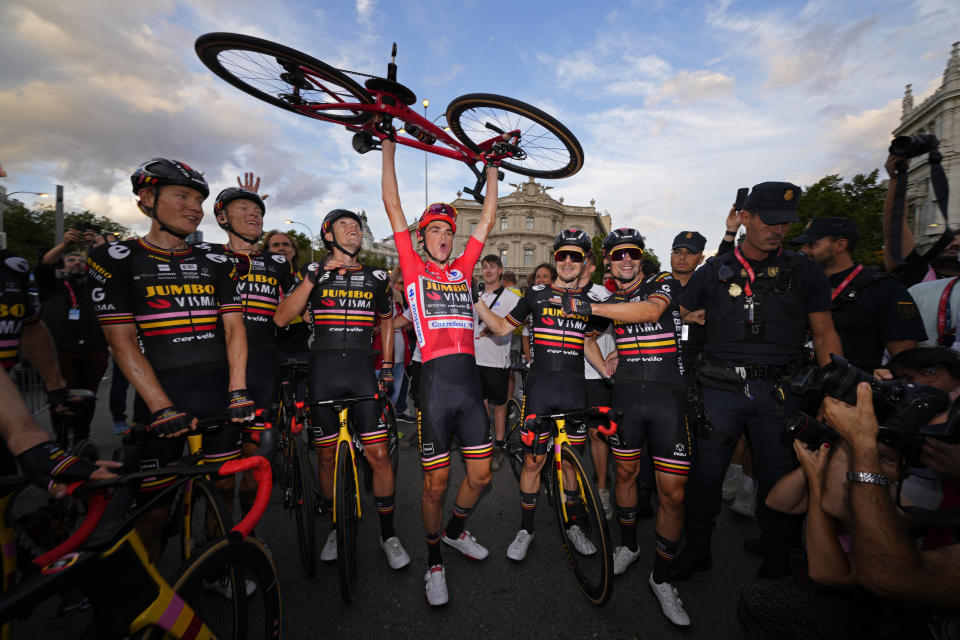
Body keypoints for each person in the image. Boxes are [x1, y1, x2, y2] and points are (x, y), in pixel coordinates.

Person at [87, 157, 254, 560]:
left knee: (224, 487)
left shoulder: (216, 262)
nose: (195, 207)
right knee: (154, 510)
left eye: (198, 199)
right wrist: (161, 407)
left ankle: (213, 564)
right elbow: (121, 341)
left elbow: (234, 329)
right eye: (182, 196)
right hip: (161, 394)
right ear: (147, 198)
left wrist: (237, 390)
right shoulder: (116, 258)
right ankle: (143, 595)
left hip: (218, 390)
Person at [676, 181, 843, 580]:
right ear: (746, 218)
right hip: (720, 390)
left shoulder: (805, 271)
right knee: (706, 475)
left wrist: (838, 390)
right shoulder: (713, 271)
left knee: (776, 473)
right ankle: (698, 549)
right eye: (770, 221)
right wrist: (685, 318)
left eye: (786, 223)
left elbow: (824, 333)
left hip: (779, 392)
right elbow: (676, 312)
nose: (778, 230)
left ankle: (778, 554)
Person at [381, 131, 502, 606]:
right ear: (421, 236)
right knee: (433, 483)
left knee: (482, 477)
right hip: (433, 384)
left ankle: (454, 531)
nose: (444, 235)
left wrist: (491, 167)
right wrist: (389, 142)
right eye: (434, 229)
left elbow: (487, 219)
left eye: (449, 230)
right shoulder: (412, 267)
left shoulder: (462, 271)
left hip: (469, 387)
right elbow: (392, 203)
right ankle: (433, 560)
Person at [275, 207, 408, 570]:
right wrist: (312, 279)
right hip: (323, 374)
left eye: (356, 225)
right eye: (343, 225)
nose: (353, 229)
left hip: (362, 373)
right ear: (328, 236)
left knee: (379, 456)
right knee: (327, 456)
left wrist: (385, 366)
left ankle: (388, 534)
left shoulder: (376, 275)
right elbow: (282, 317)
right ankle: (336, 525)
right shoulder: (312, 273)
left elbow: (385, 322)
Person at [573, 228, 692, 626]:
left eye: (633, 253)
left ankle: (663, 578)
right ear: (608, 260)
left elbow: (651, 313)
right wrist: (601, 363)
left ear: (641, 257)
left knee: (672, 494)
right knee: (625, 472)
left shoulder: (660, 283)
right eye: (619, 254)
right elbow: (585, 339)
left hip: (667, 400)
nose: (627, 259)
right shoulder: (609, 300)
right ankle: (628, 546)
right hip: (625, 397)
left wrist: (590, 307)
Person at [476, 229, 606, 565]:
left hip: (575, 391)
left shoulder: (592, 302)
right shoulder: (535, 294)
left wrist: (608, 370)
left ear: (585, 261)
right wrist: (475, 299)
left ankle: (574, 524)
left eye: (575, 256)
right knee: (534, 461)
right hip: (542, 390)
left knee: (572, 467)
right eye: (561, 254)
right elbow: (504, 328)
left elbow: (589, 341)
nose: (566, 261)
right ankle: (526, 528)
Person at [823, 383, 960, 615]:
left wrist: (863, 444)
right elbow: (836, 505)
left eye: (955, 422)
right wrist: (856, 432)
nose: (937, 426)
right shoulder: (941, 484)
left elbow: (892, 577)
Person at [204, 181, 297, 521]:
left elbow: (299, 310)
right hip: (217, 371)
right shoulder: (208, 257)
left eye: (257, 209)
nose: (253, 213)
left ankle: (247, 540)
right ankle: (218, 547)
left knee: (253, 464)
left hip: (262, 369)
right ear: (221, 218)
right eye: (243, 208)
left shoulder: (278, 263)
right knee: (223, 478)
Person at [792, 216, 926, 371]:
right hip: (798, 385)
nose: (804, 251)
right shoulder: (799, 285)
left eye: (812, 244)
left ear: (840, 245)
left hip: (856, 387)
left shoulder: (884, 289)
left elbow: (904, 356)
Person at [35, 235, 109, 442]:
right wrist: (65, 245)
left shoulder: (95, 288)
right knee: (61, 400)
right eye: (71, 260)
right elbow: (44, 264)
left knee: (87, 399)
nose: (77, 263)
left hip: (94, 351)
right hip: (60, 352)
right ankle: (61, 442)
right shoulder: (51, 287)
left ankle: (82, 440)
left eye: (81, 261)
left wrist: (99, 245)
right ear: (63, 267)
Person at [474, 254, 520, 471]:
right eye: (484, 267)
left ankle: (499, 445)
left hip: (496, 361)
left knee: (499, 406)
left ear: (500, 270)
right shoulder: (478, 295)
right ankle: (484, 441)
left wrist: (493, 327)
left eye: (492, 267)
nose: (488, 270)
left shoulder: (511, 297)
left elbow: (513, 323)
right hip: (475, 359)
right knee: (480, 403)